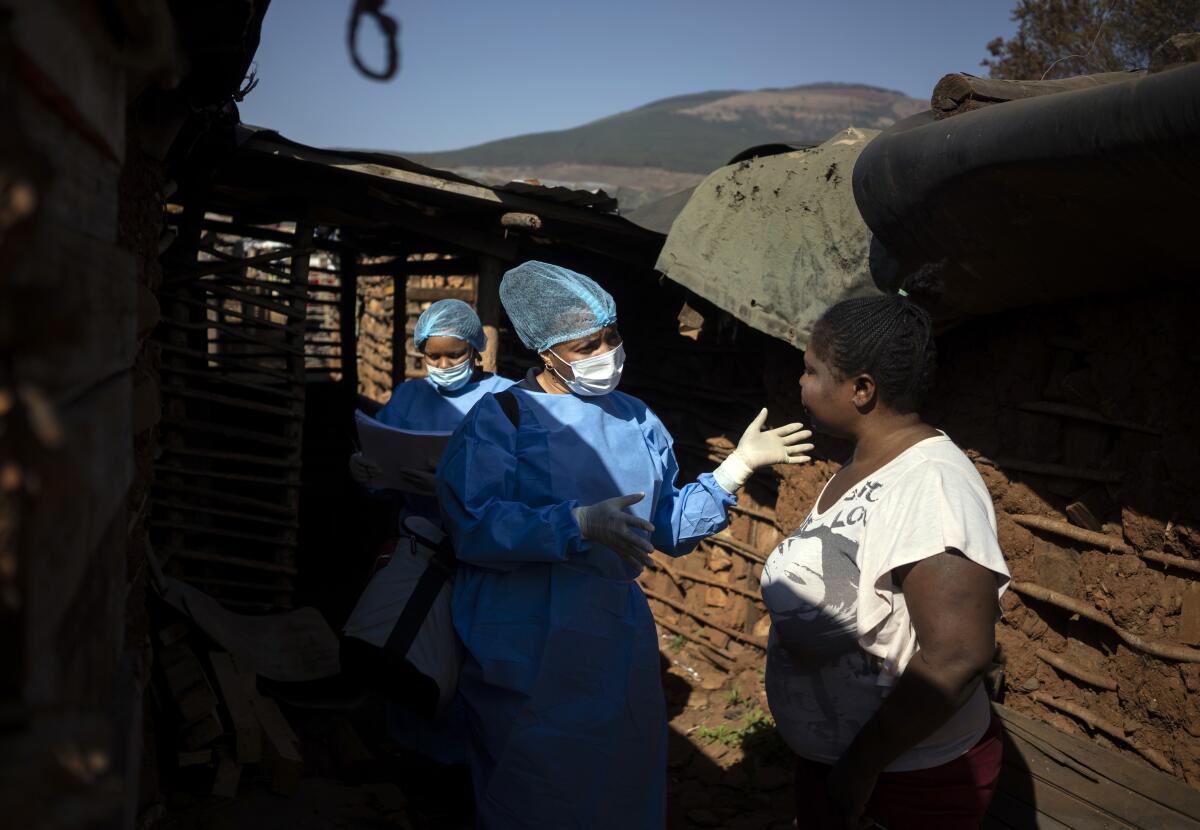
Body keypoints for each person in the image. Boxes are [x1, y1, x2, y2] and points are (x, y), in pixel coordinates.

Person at [435, 260, 813, 828]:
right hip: (521, 636)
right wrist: (575, 523)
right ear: (546, 351)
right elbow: (473, 524)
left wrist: (736, 468)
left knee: (619, 773)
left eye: (610, 336)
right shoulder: (502, 420)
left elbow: (667, 528)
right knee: (533, 781)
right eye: (588, 344)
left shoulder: (636, 419)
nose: (606, 351)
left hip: (612, 636)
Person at [759, 292, 1011, 830]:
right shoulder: (866, 463)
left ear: (862, 388)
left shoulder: (933, 486)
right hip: (846, 770)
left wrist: (859, 767)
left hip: (907, 781)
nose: (800, 384)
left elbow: (958, 654)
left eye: (811, 370)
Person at [345, 298, 513, 777]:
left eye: (453, 355)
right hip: (417, 544)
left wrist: (453, 485)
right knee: (409, 642)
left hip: (481, 554)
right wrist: (366, 472)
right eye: (432, 357)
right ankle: (410, 749)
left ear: (476, 350)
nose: (442, 366)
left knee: (469, 652)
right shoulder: (410, 398)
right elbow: (381, 470)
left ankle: (463, 759)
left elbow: (521, 478)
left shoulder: (505, 399)